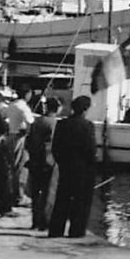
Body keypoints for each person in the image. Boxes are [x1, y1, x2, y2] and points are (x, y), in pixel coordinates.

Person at [49, 96, 97, 238]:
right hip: (83, 168)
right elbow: (91, 149)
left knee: (62, 199)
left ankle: (56, 230)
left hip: (65, 166)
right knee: (81, 201)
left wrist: (61, 161)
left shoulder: (62, 124)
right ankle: (76, 231)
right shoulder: (88, 126)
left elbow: (55, 147)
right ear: (85, 109)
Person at [25, 97, 60, 230]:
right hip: (48, 161)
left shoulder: (37, 121)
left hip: (34, 160)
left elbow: (28, 141)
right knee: (47, 192)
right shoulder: (54, 123)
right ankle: (44, 222)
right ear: (57, 108)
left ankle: (35, 221)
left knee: (35, 192)